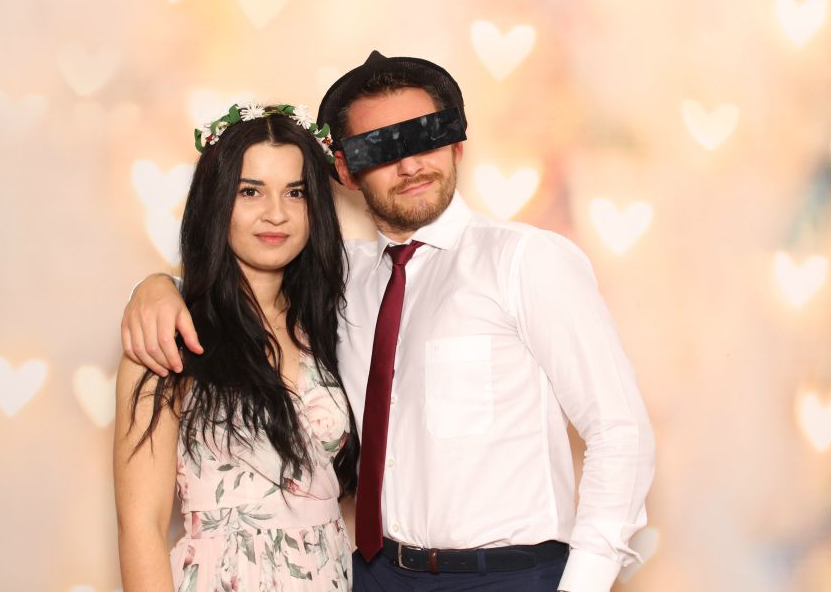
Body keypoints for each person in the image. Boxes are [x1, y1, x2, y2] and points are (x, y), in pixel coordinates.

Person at [123, 52, 656, 591]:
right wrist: (155, 287)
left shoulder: (525, 261)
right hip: (373, 576)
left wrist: (584, 583)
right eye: (381, 148)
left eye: (427, 137)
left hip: (505, 575)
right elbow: (232, 280)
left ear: (457, 144)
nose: (410, 164)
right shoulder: (344, 282)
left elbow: (620, 430)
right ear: (346, 171)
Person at [113, 103, 359, 592]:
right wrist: (156, 285)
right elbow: (141, 526)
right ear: (216, 201)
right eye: (250, 191)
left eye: (296, 192)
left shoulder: (334, 325)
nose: (276, 213)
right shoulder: (170, 334)